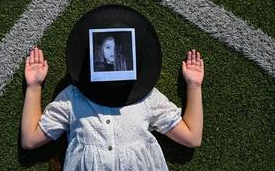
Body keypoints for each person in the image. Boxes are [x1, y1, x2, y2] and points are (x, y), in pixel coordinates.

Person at [21, 47, 204, 170]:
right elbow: (30, 140)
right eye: (106, 48)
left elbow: (191, 137)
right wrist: (34, 86)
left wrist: (194, 85)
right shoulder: (74, 97)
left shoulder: (145, 96)